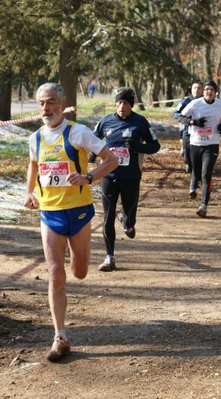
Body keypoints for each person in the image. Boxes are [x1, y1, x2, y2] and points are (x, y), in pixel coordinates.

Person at [24, 82, 118, 362]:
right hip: (50, 212)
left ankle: (79, 264)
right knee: (55, 274)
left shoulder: (78, 132)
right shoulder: (36, 138)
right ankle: (60, 337)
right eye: (41, 103)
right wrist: (28, 192)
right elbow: (33, 165)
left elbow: (111, 160)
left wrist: (89, 177)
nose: (46, 108)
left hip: (78, 212)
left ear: (62, 105)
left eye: (51, 102)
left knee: (78, 271)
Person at [89, 87, 160, 271]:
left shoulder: (140, 122)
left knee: (130, 220)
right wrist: (93, 154)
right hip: (109, 176)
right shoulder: (105, 121)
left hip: (131, 177)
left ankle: (126, 221)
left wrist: (138, 146)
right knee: (107, 216)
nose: (122, 106)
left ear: (131, 105)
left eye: (126, 103)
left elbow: (155, 146)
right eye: (119, 103)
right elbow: (92, 139)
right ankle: (109, 257)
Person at [179, 80, 221, 217]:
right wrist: (193, 122)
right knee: (195, 172)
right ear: (204, 91)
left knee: (206, 174)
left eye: (212, 90)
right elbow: (180, 116)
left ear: (216, 92)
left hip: (212, 144)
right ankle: (193, 186)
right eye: (207, 89)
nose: (209, 92)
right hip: (195, 144)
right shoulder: (195, 103)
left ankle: (203, 205)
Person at [173, 81, 203, 173]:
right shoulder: (186, 101)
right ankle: (189, 163)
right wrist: (188, 121)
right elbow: (176, 114)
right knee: (188, 152)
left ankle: (200, 169)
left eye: (199, 88)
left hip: (203, 131)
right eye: (195, 88)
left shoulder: (207, 102)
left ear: (202, 90)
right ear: (191, 89)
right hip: (188, 130)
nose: (197, 90)